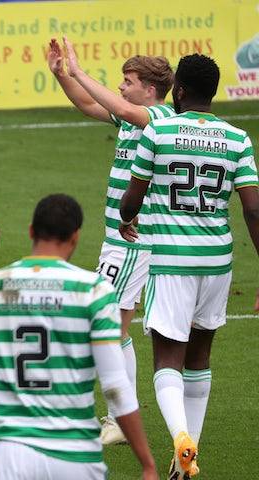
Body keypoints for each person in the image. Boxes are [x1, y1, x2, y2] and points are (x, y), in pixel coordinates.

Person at [120, 53, 259, 479]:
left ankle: (181, 439)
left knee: (167, 358)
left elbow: (133, 195)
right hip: (217, 262)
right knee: (200, 355)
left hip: (171, 262)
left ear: (178, 90)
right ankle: (187, 456)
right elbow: (253, 210)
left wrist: (127, 218)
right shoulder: (237, 138)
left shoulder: (158, 129)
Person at [0, 194, 158, 480]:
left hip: (9, 453)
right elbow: (116, 386)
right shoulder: (93, 291)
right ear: (76, 236)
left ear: (31, 230)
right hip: (75, 454)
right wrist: (147, 464)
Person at [48, 36, 175, 444]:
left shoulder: (158, 118)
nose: (121, 87)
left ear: (149, 90)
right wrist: (62, 75)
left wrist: (81, 70)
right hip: (118, 238)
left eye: (128, 80)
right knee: (114, 324)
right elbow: (89, 105)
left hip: (132, 241)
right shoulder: (134, 118)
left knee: (109, 322)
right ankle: (118, 414)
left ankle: (120, 417)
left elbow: (118, 106)